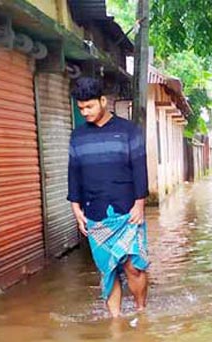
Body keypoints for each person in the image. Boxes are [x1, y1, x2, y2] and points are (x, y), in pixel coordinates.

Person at [68, 77, 149, 318]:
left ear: (103, 101)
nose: (85, 112)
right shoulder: (77, 136)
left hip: (127, 211)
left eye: (89, 106)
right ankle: (116, 322)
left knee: (134, 266)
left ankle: (141, 312)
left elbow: (139, 168)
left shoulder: (128, 131)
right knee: (108, 270)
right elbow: (74, 173)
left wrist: (139, 204)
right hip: (96, 213)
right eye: (81, 108)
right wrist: (76, 208)